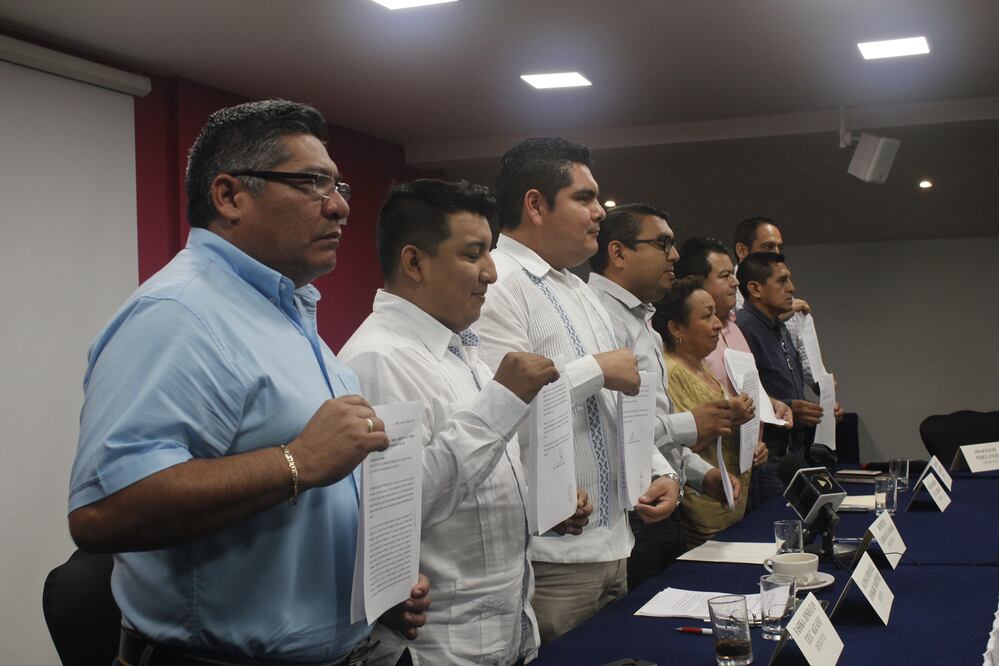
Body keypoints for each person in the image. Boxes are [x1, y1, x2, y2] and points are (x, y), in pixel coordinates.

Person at [67, 100, 428, 666]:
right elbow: (102, 511)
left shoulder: (285, 310)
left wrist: (365, 594)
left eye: (338, 186)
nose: (339, 207)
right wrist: (297, 461)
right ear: (230, 196)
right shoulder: (178, 314)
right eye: (311, 183)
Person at [340, 179, 587, 665]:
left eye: (490, 252)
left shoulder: (461, 350)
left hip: (505, 634)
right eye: (473, 254)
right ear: (415, 263)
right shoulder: (377, 359)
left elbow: (475, 487)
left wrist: (539, 508)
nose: (491, 272)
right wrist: (502, 401)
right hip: (439, 649)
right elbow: (397, 512)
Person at [476, 137, 673, 641]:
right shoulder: (496, 283)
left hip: (615, 542)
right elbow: (498, 409)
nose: (599, 212)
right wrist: (596, 370)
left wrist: (659, 469)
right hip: (552, 555)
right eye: (584, 198)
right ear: (535, 204)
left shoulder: (581, 291)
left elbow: (617, 400)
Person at [586, 204, 736, 588]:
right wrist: (692, 424)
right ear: (618, 253)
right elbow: (614, 428)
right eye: (663, 243)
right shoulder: (594, 316)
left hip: (662, 503)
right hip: (631, 513)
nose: (675, 255)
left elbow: (650, 428)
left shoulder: (643, 323)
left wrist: (701, 474)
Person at [674, 237, 795, 512]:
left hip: (750, 466)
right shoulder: (687, 338)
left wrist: (770, 405)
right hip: (708, 480)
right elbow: (691, 407)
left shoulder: (734, 326)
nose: (735, 282)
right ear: (696, 282)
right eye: (725, 275)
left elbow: (745, 387)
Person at [654, 277, 753, 548]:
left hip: (729, 500)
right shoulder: (670, 372)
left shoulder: (701, 365)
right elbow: (672, 448)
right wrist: (729, 419)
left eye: (716, 315)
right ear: (676, 328)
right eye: (707, 316)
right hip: (701, 508)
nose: (718, 324)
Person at [735, 252, 823, 466]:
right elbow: (739, 393)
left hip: (793, 448)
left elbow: (782, 385)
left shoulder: (778, 325)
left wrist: (811, 410)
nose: (792, 288)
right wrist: (789, 406)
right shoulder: (743, 329)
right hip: (768, 453)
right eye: (782, 281)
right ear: (755, 289)